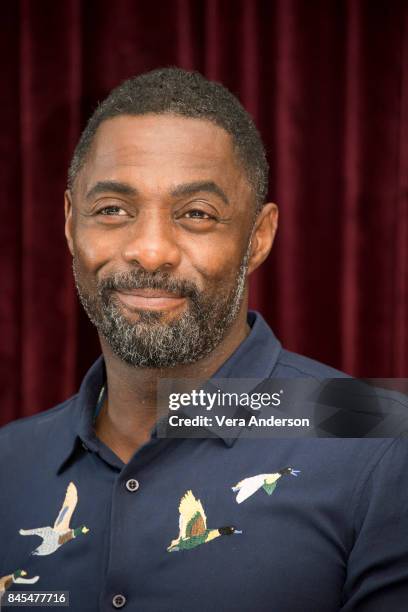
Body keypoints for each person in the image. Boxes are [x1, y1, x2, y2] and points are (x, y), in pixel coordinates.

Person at [1, 67, 407, 612]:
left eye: (196, 214)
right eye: (113, 209)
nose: (150, 250)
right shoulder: (8, 460)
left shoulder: (381, 440)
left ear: (258, 238)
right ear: (72, 223)